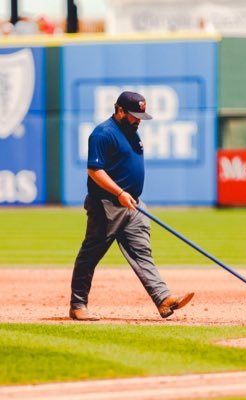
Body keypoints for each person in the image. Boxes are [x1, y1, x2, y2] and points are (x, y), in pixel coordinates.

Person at [69, 91, 194, 321]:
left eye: (141, 115)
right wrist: (119, 192)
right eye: (135, 115)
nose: (139, 120)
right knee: (91, 254)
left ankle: (162, 298)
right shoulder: (102, 134)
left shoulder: (133, 132)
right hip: (107, 205)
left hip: (133, 204)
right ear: (119, 110)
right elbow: (94, 171)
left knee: (142, 253)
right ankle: (78, 305)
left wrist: (129, 196)